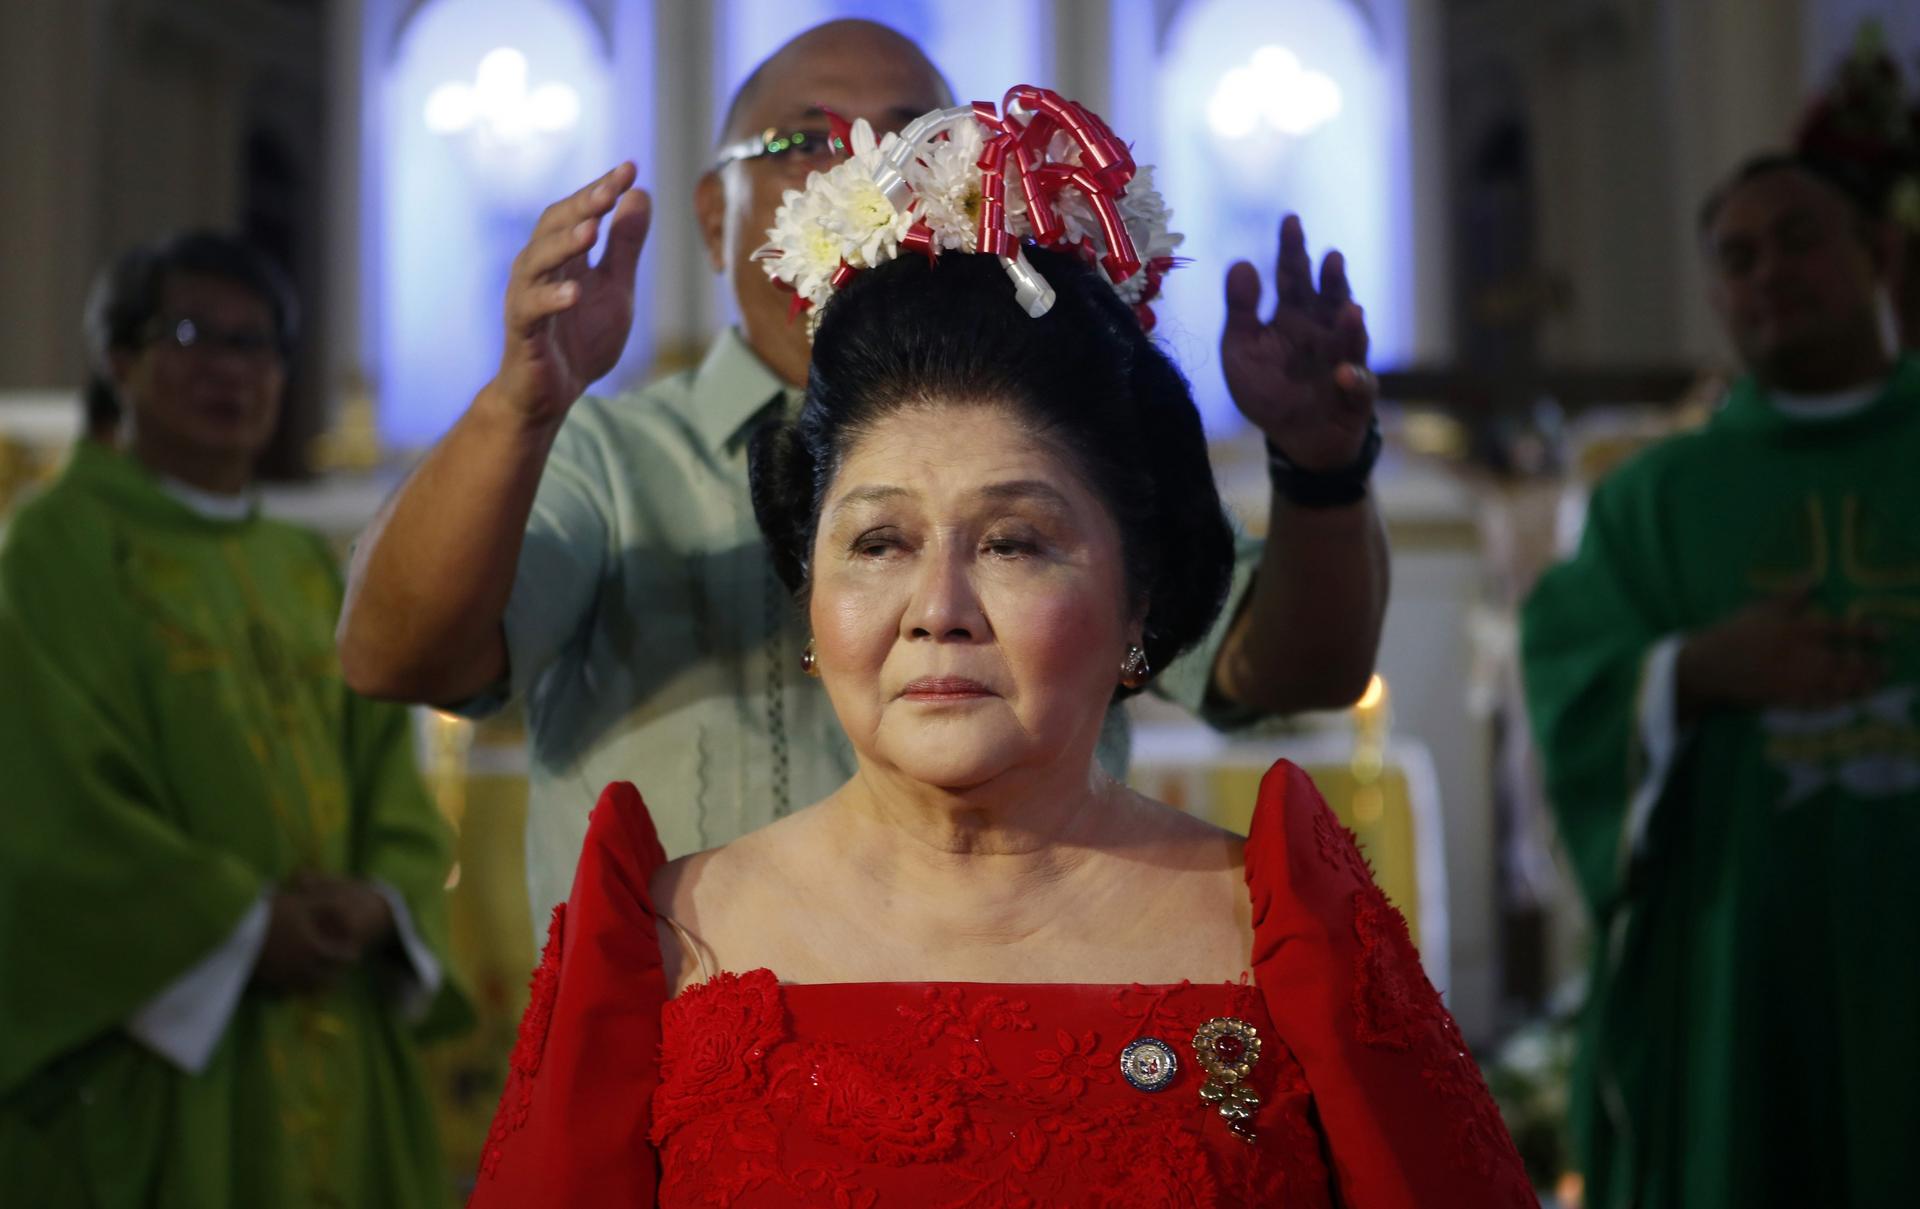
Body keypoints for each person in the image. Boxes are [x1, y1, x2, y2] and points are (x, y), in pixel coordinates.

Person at [466, 92, 1531, 1206]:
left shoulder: (1281, 929)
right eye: (878, 542)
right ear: (809, 597)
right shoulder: (657, 942)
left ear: (1141, 602)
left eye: (1016, 543)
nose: (939, 607)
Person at [336, 19, 1390, 932]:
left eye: (910, 139)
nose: (865, 174)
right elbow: (395, 657)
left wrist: (1323, 470)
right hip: (677, 1065)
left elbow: (1288, 673)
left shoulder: (1055, 441)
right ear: (715, 217)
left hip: (1010, 1008)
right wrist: (521, 405)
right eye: (806, 142)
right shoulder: (607, 461)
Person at [0, 232, 471, 1207]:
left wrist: (383, 900)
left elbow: (389, 766)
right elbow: (42, 799)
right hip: (158, 1045)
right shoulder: (55, 551)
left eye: (256, 344)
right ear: (120, 361)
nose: (230, 367)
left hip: (338, 1021)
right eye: (193, 335)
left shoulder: (305, 566)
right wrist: (239, 928)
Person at [1522, 153, 1920, 1208]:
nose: (1770, 274)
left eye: (1799, 239)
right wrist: (1693, 671)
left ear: (1876, 253)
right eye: (1738, 259)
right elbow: (1572, 679)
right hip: (1745, 960)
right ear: (1715, 295)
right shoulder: (1654, 499)